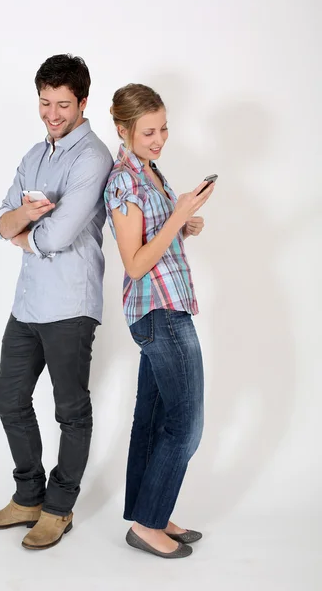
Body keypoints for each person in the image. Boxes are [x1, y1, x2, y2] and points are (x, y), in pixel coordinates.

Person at [0, 54, 113, 551]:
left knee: (71, 411)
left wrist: (22, 226)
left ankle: (59, 508)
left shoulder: (93, 157)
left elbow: (55, 235)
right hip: (29, 303)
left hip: (71, 306)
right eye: (45, 102)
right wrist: (17, 221)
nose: (52, 113)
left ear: (82, 103)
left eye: (62, 104)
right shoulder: (34, 153)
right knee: (8, 400)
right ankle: (28, 496)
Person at [104, 84, 215, 559]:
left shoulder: (149, 171)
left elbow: (159, 236)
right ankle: (148, 524)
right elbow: (133, 262)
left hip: (166, 306)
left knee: (151, 421)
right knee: (185, 424)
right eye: (148, 131)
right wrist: (178, 217)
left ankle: (149, 512)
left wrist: (184, 219)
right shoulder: (123, 182)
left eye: (164, 127)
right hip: (159, 312)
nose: (160, 138)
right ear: (123, 129)